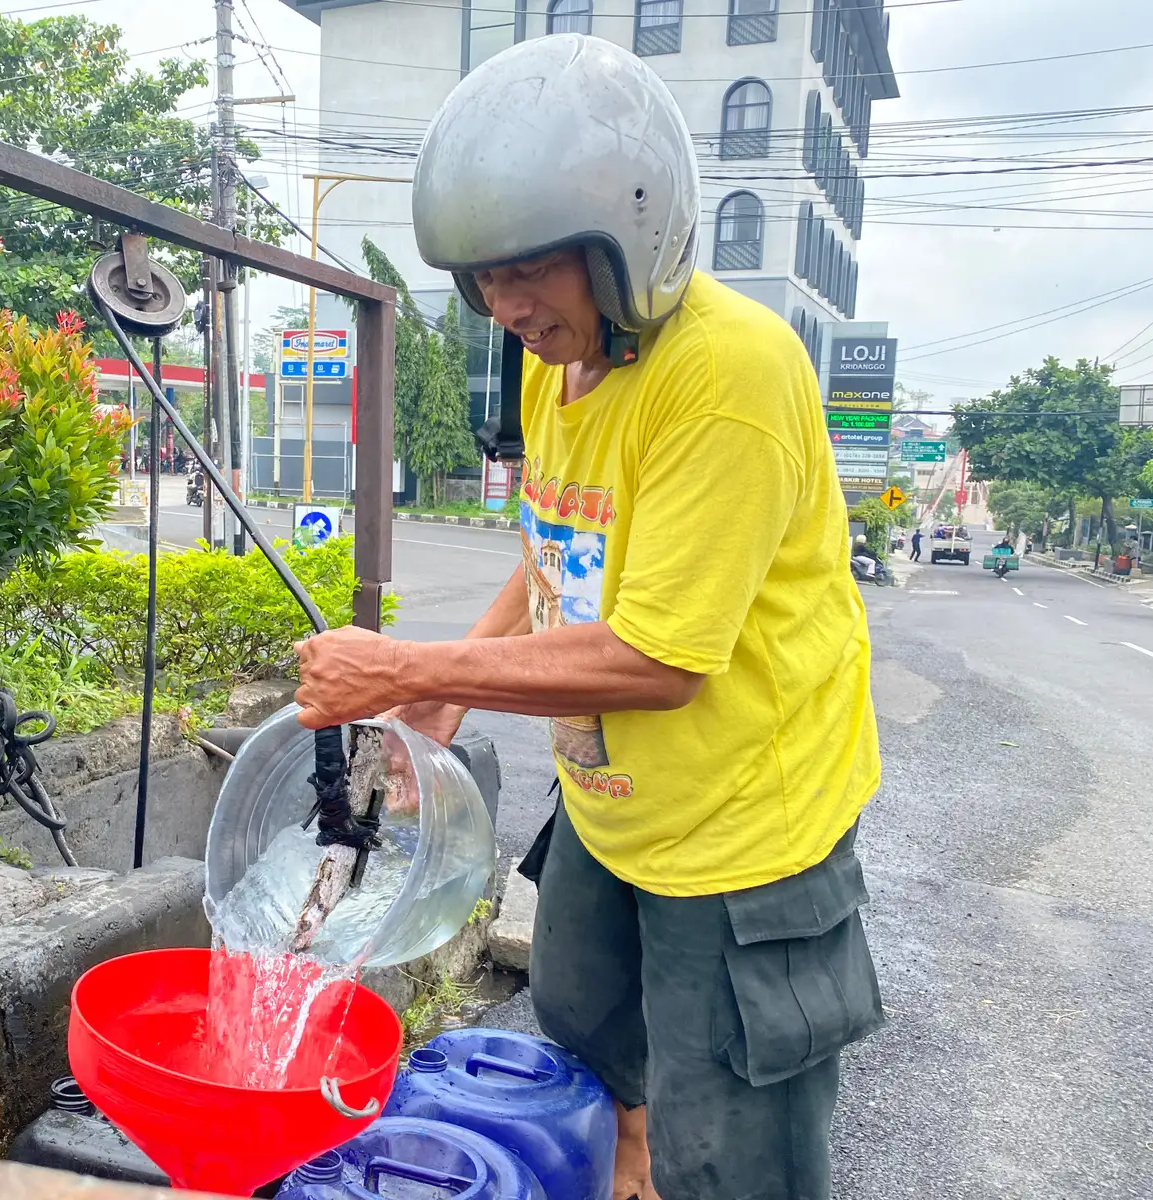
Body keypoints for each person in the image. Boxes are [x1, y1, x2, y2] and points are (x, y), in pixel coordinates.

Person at [291, 35, 883, 1200]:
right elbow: (556, 555)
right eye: (479, 278)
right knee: (590, 1045)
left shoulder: (731, 376)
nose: (504, 305)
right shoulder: (551, 360)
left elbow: (659, 659)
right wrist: (440, 695)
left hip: (740, 834)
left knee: (733, 1141)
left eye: (528, 271)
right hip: (615, 808)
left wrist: (400, 658)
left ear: (630, 244)